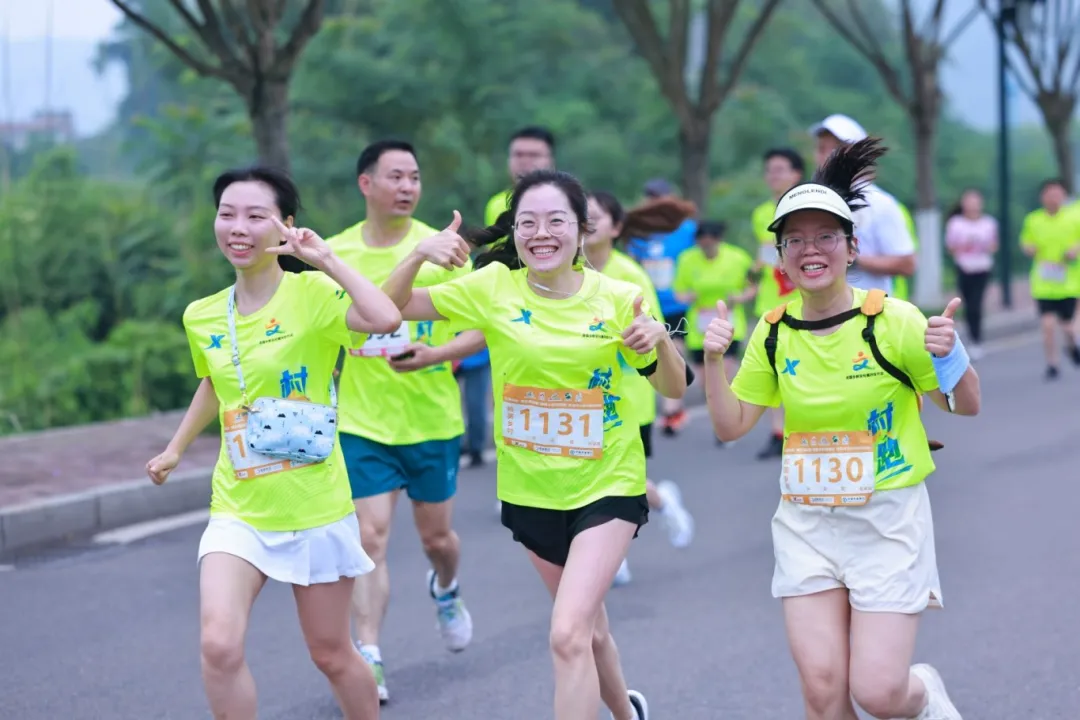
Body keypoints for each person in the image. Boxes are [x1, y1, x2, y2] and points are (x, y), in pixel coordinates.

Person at [383, 169, 691, 720]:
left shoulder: (619, 296)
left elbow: (672, 387)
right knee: (589, 632)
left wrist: (662, 342)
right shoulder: (493, 287)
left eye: (555, 221)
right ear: (514, 231)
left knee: (567, 633)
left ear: (582, 228)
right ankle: (629, 714)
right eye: (527, 222)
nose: (540, 233)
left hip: (607, 485)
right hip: (531, 490)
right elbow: (389, 310)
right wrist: (417, 255)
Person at [703, 138, 979, 720]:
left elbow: (965, 406)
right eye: (795, 240)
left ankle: (924, 693)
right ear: (780, 257)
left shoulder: (893, 320)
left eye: (826, 236)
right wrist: (711, 361)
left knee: (878, 693)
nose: (811, 249)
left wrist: (950, 355)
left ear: (852, 248)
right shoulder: (773, 331)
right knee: (823, 692)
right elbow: (731, 426)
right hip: (806, 522)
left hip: (887, 520)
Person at [146, 166, 404, 720]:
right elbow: (216, 383)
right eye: (227, 214)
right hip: (239, 505)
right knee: (218, 645)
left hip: (314, 506)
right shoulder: (202, 314)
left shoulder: (313, 293)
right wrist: (175, 448)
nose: (238, 227)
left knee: (330, 653)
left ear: (285, 225)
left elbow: (385, 317)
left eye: (255, 216)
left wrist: (325, 259)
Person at [326, 139, 481, 704]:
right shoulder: (336, 253)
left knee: (437, 539)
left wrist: (437, 354)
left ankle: (446, 586)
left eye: (414, 177)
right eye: (396, 176)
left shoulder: (446, 249)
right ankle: (369, 653)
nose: (408, 186)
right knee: (367, 537)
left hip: (431, 420)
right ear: (366, 183)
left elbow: (482, 326)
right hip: (362, 422)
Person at [586, 190, 696, 587]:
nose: (587, 222)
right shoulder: (566, 274)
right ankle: (611, 548)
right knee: (594, 475)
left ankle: (656, 508)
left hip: (630, 394)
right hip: (583, 396)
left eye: (596, 216)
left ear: (616, 227)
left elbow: (658, 335)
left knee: (622, 480)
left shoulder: (630, 275)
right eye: (580, 215)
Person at [811, 114, 916, 294]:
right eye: (822, 149)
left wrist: (851, 259)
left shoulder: (879, 203)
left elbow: (907, 264)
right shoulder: (811, 200)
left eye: (837, 149)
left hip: (870, 308)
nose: (827, 156)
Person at [626, 179, 698, 437]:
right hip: (646, 300)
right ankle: (666, 403)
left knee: (674, 346)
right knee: (650, 349)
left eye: (659, 196)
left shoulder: (687, 228)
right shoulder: (638, 230)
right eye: (650, 196)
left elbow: (696, 259)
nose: (654, 201)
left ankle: (672, 408)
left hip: (676, 300)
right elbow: (631, 259)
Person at [751, 148, 806, 460]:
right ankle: (778, 432)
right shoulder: (761, 213)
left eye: (780, 169)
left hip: (801, 298)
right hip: (770, 299)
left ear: (796, 174)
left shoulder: (806, 208)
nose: (773, 175)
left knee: (803, 366)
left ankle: (806, 428)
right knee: (775, 367)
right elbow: (764, 253)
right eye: (769, 170)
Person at [673, 219, 756, 405]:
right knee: (706, 383)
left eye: (710, 245)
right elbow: (679, 293)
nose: (707, 249)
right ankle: (717, 406)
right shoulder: (686, 259)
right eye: (703, 245)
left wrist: (739, 298)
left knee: (722, 377)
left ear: (719, 240)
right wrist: (689, 296)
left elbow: (753, 286)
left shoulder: (738, 257)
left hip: (729, 320)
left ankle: (726, 411)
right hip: (700, 325)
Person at [1019, 178, 1080, 380]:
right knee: (1047, 325)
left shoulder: (1075, 216)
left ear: (1064, 195)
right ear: (1042, 197)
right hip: (1044, 283)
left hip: (1069, 282)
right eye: (1049, 194)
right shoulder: (1033, 220)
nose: (1053, 198)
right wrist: (1029, 248)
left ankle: (1072, 346)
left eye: (1057, 194)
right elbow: (1025, 242)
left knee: (1068, 326)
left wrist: (1075, 249)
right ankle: (1052, 364)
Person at [944, 188, 998, 360]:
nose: (973, 205)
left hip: (982, 268)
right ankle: (972, 335)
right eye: (969, 201)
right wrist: (965, 245)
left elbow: (994, 246)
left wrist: (983, 245)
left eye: (976, 201)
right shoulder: (956, 223)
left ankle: (977, 339)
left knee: (976, 303)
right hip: (964, 268)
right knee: (967, 304)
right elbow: (951, 248)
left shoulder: (988, 223)